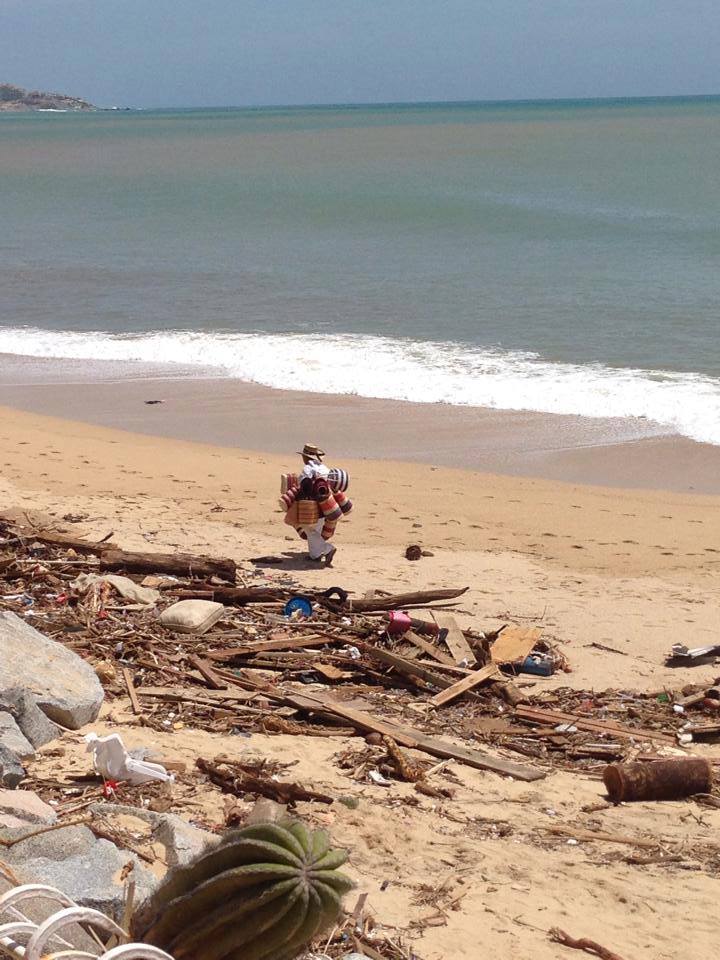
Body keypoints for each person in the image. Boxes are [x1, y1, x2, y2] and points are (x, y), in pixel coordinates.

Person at [280, 443, 352, 566]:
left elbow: (304, 486)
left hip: (312, 506)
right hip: (327, 505)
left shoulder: (308, 469)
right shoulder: (325, 469)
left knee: (308, 528)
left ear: (306, 457)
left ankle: (328, 549)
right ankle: (315, 555)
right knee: (316, 530)